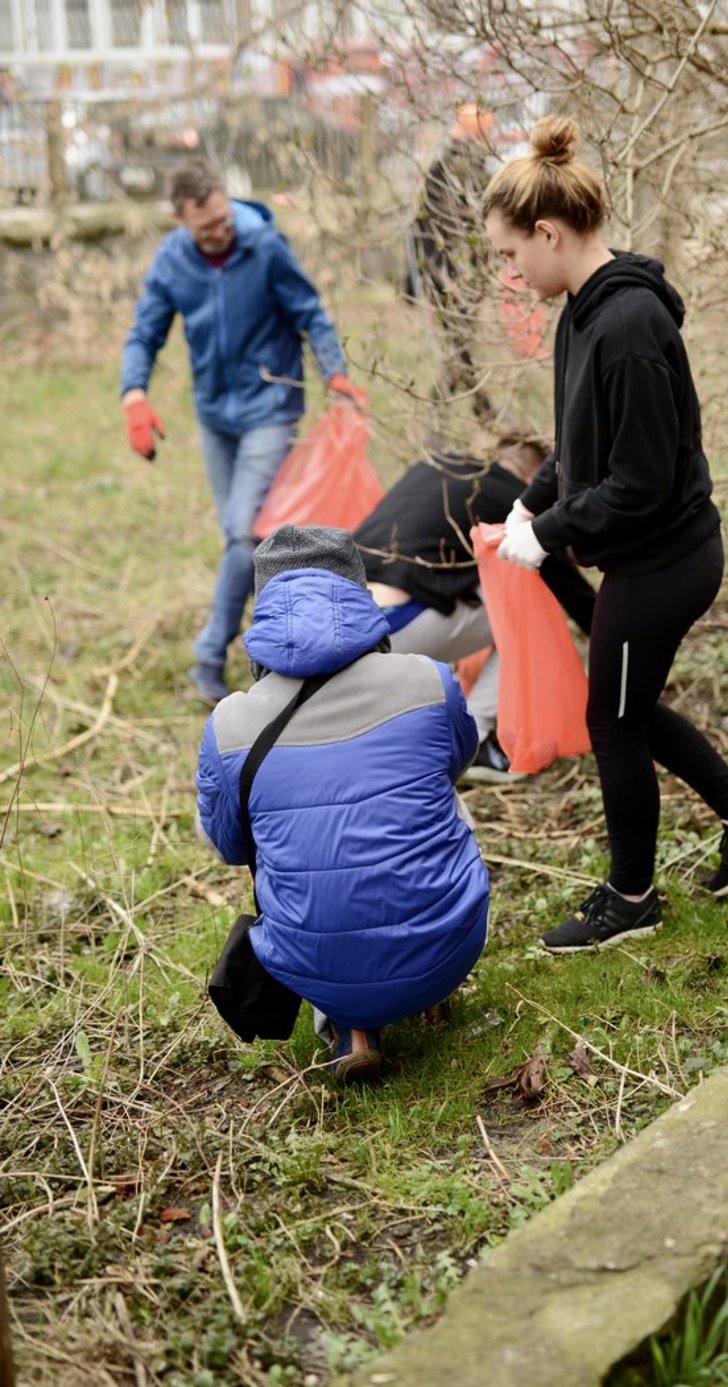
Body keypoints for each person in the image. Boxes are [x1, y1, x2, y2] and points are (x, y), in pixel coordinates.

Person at [481, 116, 728, 952]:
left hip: (666, 561)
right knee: (627, 701)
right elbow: (581, 442)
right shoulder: (581, 312)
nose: (510, 273)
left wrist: (549, 531)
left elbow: (641, 481)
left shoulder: (627, 331)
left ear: (549, 232)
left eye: (512, 254)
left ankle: (630, 900)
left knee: (611, 719)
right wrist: (530, 501)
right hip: (641, 552)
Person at [195, 524, 490, 1083]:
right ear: (358, 590)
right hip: (449, 946)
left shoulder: (230, 722)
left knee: (272, 837)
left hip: (312, 967)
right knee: (439, 794)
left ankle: (349, 1026)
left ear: (264, 609)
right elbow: (459, 758)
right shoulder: (428, 680)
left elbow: (228, 847)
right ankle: (431, 980)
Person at [120, 156, 361, 706]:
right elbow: (144, 333)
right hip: (215, 416)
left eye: (222, 217)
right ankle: (278, 651)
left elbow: (311, 313)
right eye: (205, 226)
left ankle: (209, 656)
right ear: (181, 220)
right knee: (248, 541)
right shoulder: (173, 260)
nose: (219, 230)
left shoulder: (264, 246)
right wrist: (134, 392)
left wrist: (336, 372)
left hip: (270, 406)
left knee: (243, 534)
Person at [354, 432, 597, 782]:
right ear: (534, 480)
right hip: (394, 628)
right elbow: (572, 591)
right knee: (530, 599)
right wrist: (618, 645)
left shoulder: (436, 465)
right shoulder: (512, 499)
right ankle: (476, 740)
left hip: (344, 621)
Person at [410, 102, 496, 424]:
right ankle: (481, 411)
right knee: (459, 346)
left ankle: (448, 409)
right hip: (453, 278)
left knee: (458, 346)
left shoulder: (454, 170)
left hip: (460, 277)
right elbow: (428, 229)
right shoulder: (454, 172)